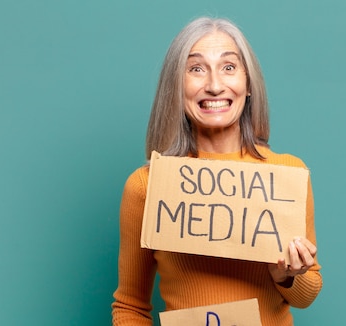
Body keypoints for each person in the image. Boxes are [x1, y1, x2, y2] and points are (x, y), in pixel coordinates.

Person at [112, 16, 322, 326]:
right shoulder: (147, 186)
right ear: (176, 85)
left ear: (248, 83)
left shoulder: (286, 174)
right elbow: (130, 306)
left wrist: (286, 276)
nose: (213, 85)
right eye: (196, 69)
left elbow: (307, 295)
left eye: (228, 67)